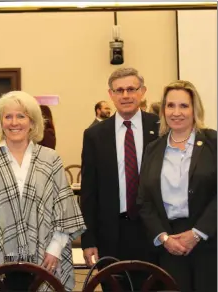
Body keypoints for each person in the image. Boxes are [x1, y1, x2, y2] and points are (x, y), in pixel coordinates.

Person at [0, 91, 86, 291]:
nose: (14, 122)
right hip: (0, 261)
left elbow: (64, 210)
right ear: (0, 122)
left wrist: (55, 250)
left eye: (21, 116)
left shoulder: (50, 159)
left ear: (32, 122)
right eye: (8, 116)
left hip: (46, 258)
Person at [80, 68, 160, 291]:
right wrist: (88, 240)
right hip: (111, 236)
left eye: (131, 89)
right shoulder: (95, 135)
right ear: (111, 94)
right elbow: (89, 192)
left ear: (142, 92)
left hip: (153, 233)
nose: (126, 95)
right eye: (119, 90)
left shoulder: (160, 128)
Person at [138, 80, 216, 292]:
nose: (176, 112)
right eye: (170, 105)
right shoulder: (153, 149)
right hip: (169, 244)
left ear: (194, 109)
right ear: (163, 110)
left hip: (208, 243)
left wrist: (197, 233)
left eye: (184, 106)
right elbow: (144, 201)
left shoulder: (213, 143)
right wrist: (163, 238)